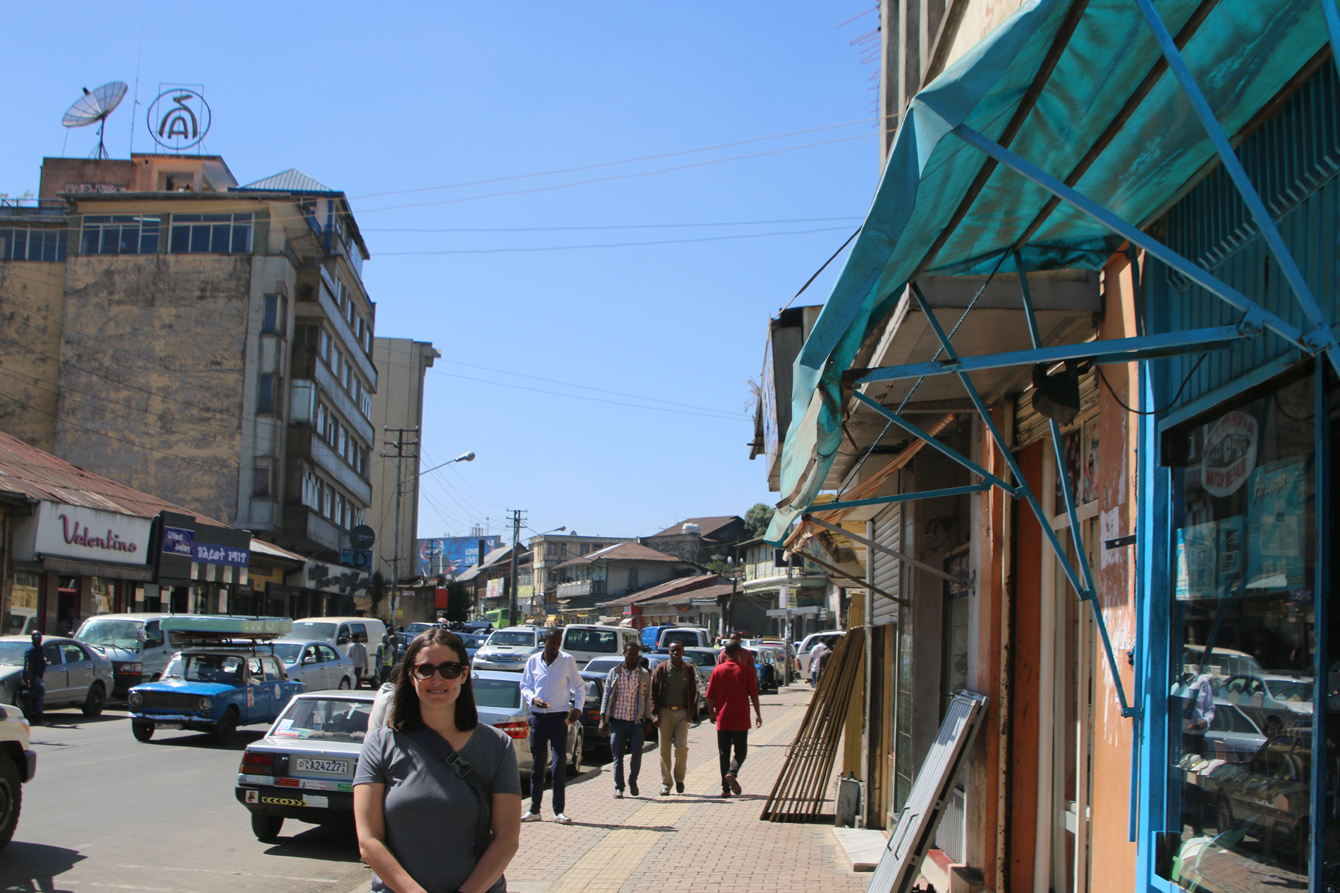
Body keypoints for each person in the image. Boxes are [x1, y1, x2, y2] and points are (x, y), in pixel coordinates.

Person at [354, 627, 521, 893]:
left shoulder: (497, 746)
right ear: (412, 676)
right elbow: (369, 841)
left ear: (464, 674)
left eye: (449, 669)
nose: (437, 679)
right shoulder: (380, 744)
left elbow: (507, 839)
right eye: (425, 669)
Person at [518, 628, 584, 823]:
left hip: (559, 719)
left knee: (558, 764)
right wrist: (533, 699)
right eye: (552, 642)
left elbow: (579, 686)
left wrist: (578, 708)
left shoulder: (567, 661)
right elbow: (525, 685)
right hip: (538, 718)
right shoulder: (533, 661)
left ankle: (558, 811)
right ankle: (534, 810)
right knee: (538, 765)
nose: (555, 646)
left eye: (558, 642)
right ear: (544, 641)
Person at [705, 640, 761, 797]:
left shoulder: (717, 670)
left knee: (724, 754)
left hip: (723, 719)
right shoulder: (746, 670)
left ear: (724, 653)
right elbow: (754, 694)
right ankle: (732, 772)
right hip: (741, 718)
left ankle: (725, 790)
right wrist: (758, 714)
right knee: (741, 751)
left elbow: (709, 696)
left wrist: (712, 712)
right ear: (739, 653)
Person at [599, 642, 652, 798]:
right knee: (618, 756)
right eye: (630, 654)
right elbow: (606, 696)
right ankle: (619, 787)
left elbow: (647, 698)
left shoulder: (643, 674)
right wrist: (603, 719)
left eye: (635, 654)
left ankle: (633, 780)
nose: (632, 657)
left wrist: (648, 719)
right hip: (618, 721)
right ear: (624, 654)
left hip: (636, 722)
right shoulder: (614, 673)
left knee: (637, 752)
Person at [651, 641, 698, 795]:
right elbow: (653, 692)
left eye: (678, 650)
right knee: (664, 750)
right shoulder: (662, 668)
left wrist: (691, 712)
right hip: (665, 713)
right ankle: (666, 783)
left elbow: (693, 691)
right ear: (668, 652)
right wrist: (655, 714)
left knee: (681, 748)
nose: (675, 653)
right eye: (672, 650)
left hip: (682, 714)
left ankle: (679, 779)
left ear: (683, 652)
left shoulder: (688, 669)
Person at [22, 631, 46, 725]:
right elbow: (29, 665)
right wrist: (29, 680)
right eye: (36, 636)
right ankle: (24, 694)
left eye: (40, 636)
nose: (39, 638)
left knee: (38, 698)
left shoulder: (39, 648)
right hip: (33, 676)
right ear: (33, 638)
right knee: (41, 693)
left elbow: (43, 655)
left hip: (39, 676)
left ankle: (37, 718)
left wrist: (47, 659)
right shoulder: (31, 650)